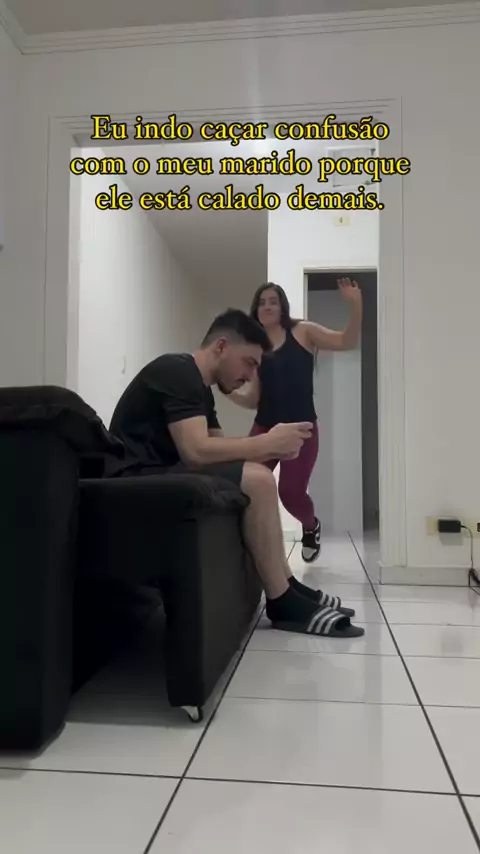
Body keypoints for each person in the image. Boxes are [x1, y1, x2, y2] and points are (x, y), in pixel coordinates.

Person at [110, 309, 364, 639]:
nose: (252, 375)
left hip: (161, 475)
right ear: (221, 346)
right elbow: (196, 451)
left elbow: (220, 451)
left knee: (255, 474)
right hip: (135, 481)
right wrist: (267, 442)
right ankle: (281, 601)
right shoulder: (177, 370)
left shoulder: (200, 389)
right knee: (258, 479)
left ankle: (287, 584)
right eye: (249, 363)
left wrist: (274, 447)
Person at [226, 280, 363, 563]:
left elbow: (346, 341)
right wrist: (227, 392)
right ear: (256, 309)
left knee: (290, 493)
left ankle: (311, 526)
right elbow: (254, 399)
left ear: (282, 307)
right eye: (262, 302)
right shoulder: (256, 347)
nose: (267, 306)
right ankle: (250, 544)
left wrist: (355, 306)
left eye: (273, 301)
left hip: (301, 430)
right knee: (244, 483)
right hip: (264, 428)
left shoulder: (303, 331)